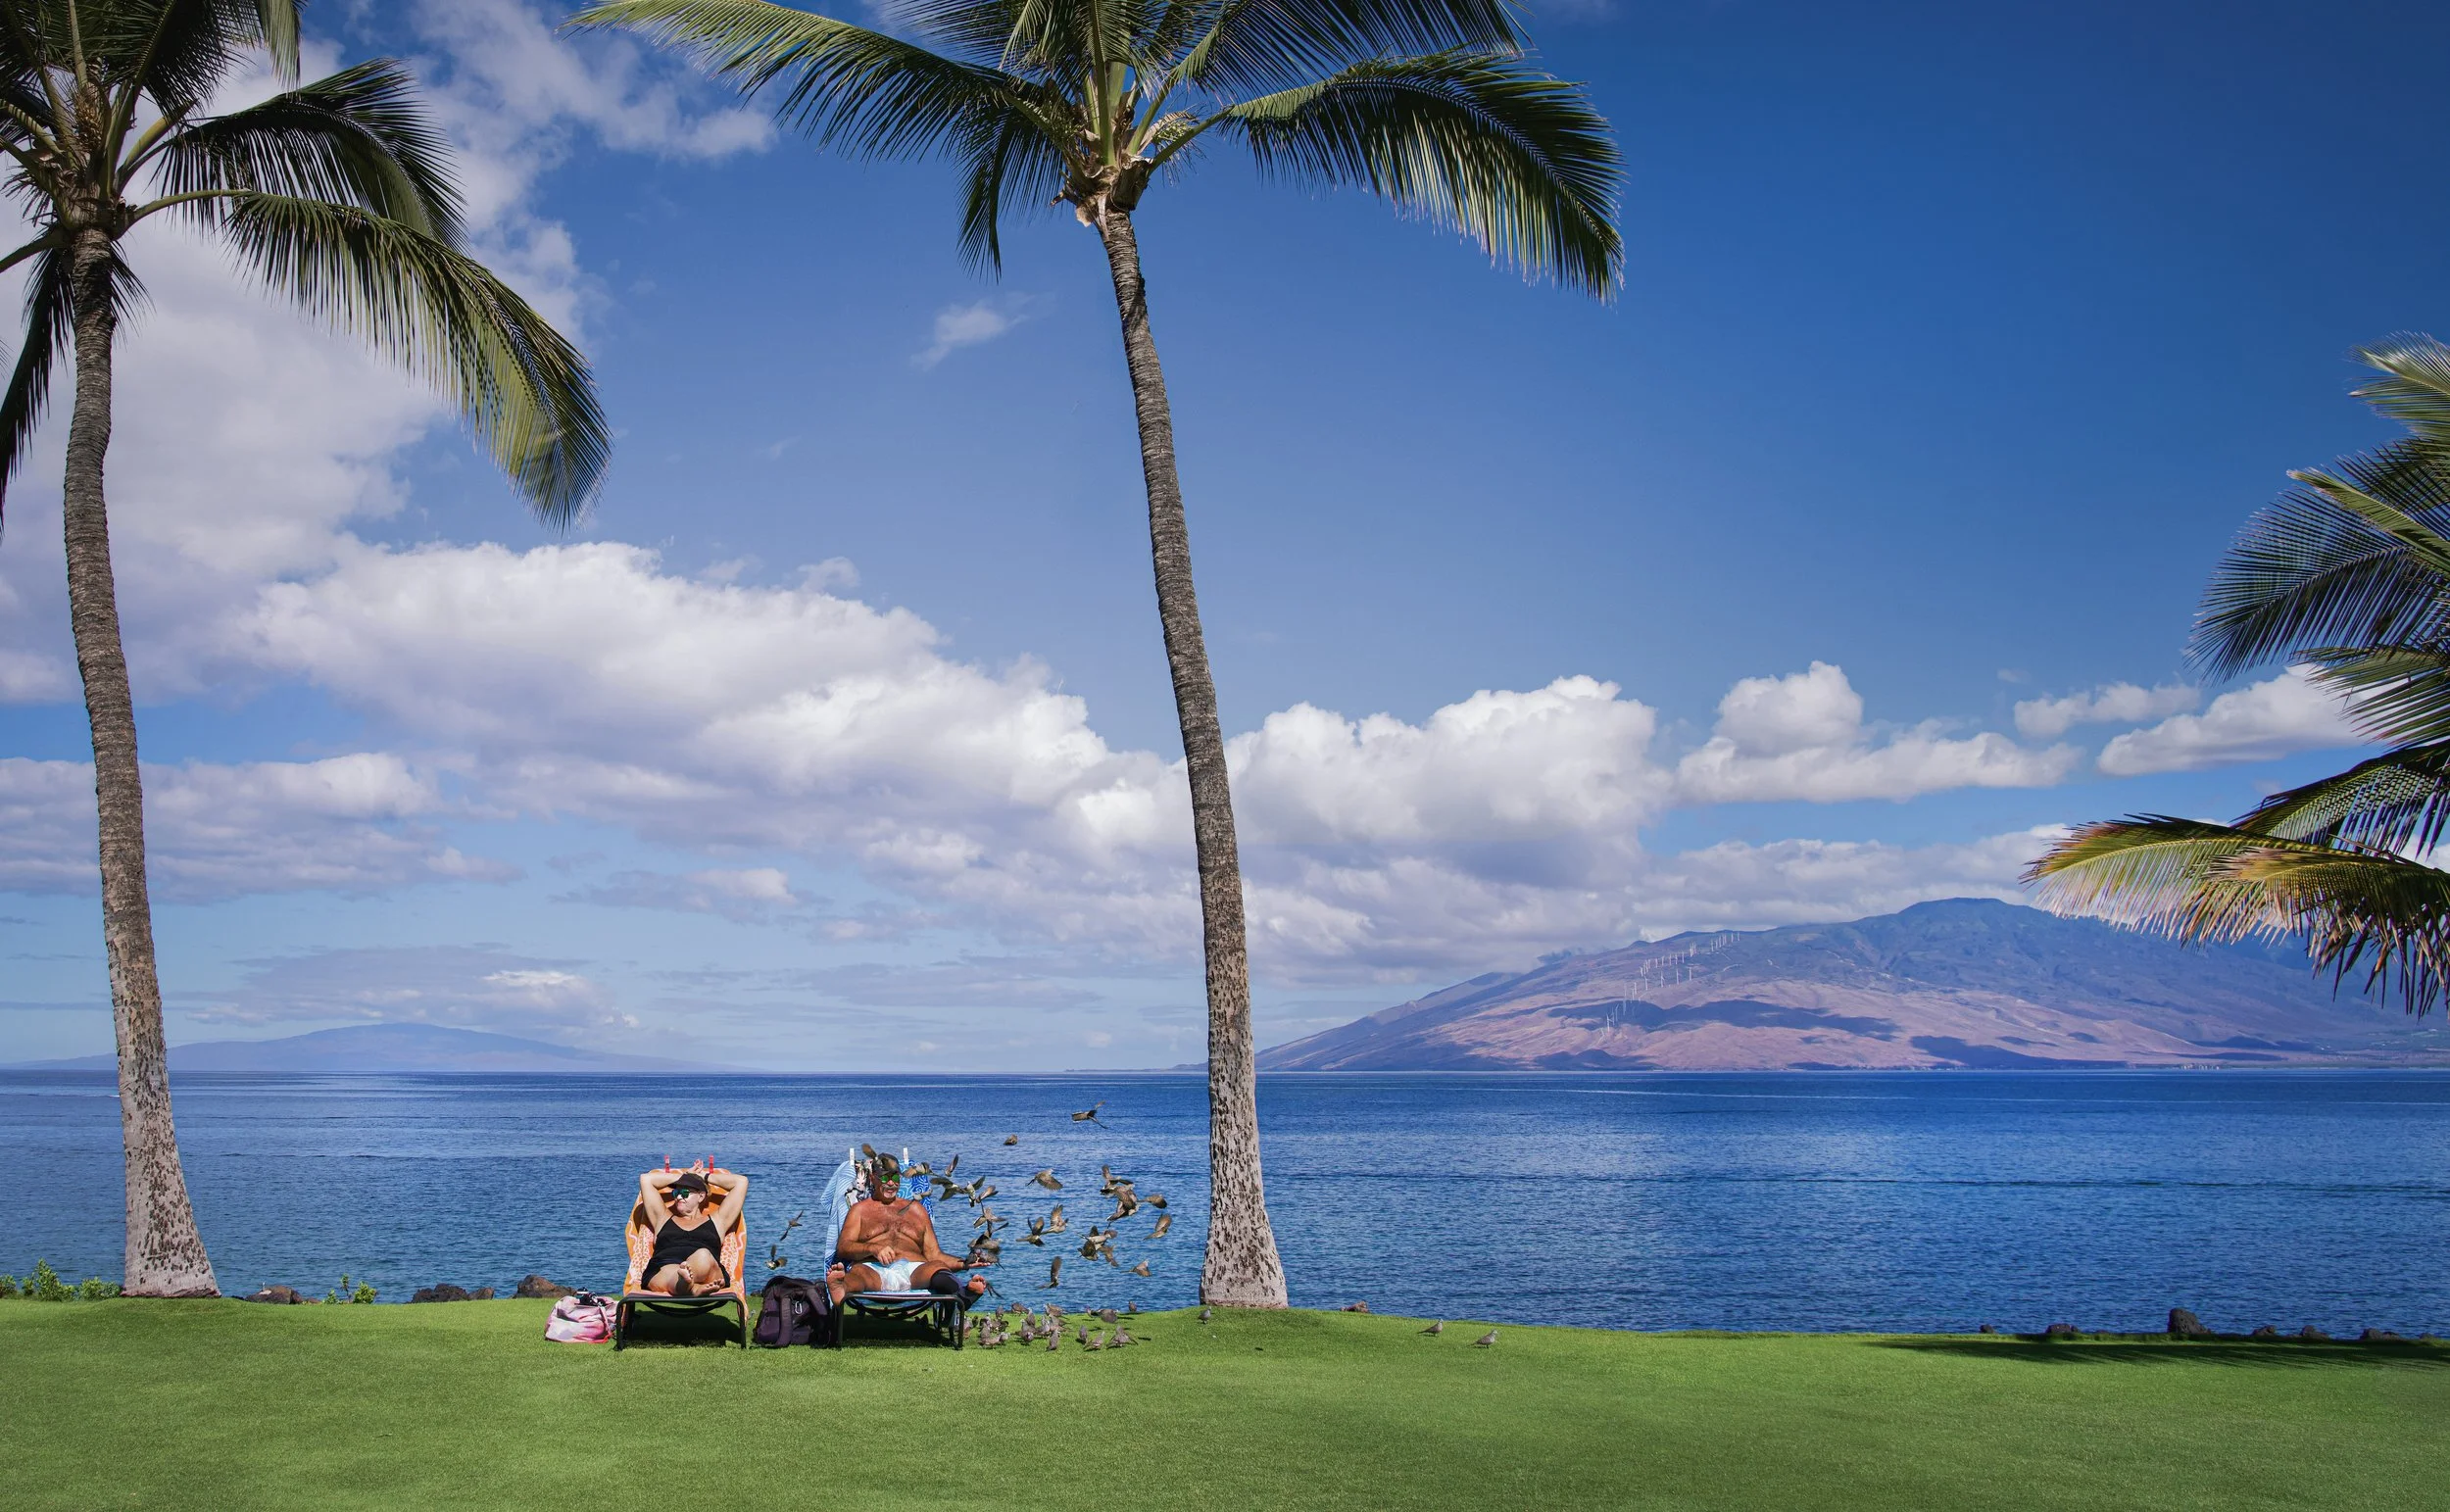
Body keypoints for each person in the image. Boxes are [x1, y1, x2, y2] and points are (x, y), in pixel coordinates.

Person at [829, 1150, 986, 1309]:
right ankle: (841, 1289)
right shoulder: (860, 1210)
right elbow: (843, 1248)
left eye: (895, 1178)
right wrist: (872, 1248)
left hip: (914, 1271)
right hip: (873, 1270)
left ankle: (963, 1295)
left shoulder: (916, 1210)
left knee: (937, 1266)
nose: (891, 1183)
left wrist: (965, 1263)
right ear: (872, 1178)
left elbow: (934, 1254)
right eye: (885, 1178)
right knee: (858, 1274)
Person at [637, 1163, 747, 1296]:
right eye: (676, 1193)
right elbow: (646, 1179)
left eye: (684, 1193)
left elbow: (741, 1182)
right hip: (666, 1267)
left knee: (703, 1255)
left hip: (705, 1267)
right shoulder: (662, 1218)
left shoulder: (718, 1221)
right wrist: (684, 1176)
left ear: (701, 1196)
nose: (678, 1197)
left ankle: (686, 1282)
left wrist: (704, 1176)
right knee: (675, 1272)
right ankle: (691, 1287)